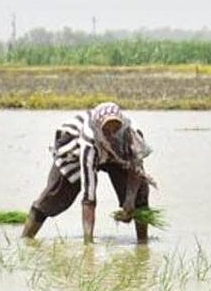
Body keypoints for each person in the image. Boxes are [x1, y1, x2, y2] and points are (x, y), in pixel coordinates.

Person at [21, 102, 153, 243]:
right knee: (55, 195)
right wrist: (88, 244)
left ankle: (142, 243)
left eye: (116, 127)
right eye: (106, 129)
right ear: (99, 128)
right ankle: (25, 239)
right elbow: (88, 196)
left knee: (140, 193)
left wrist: (129, 201)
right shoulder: (89, 141)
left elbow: (136, 168)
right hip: (74, 153)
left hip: (116, 155)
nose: (111, 132)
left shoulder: (130, 134)